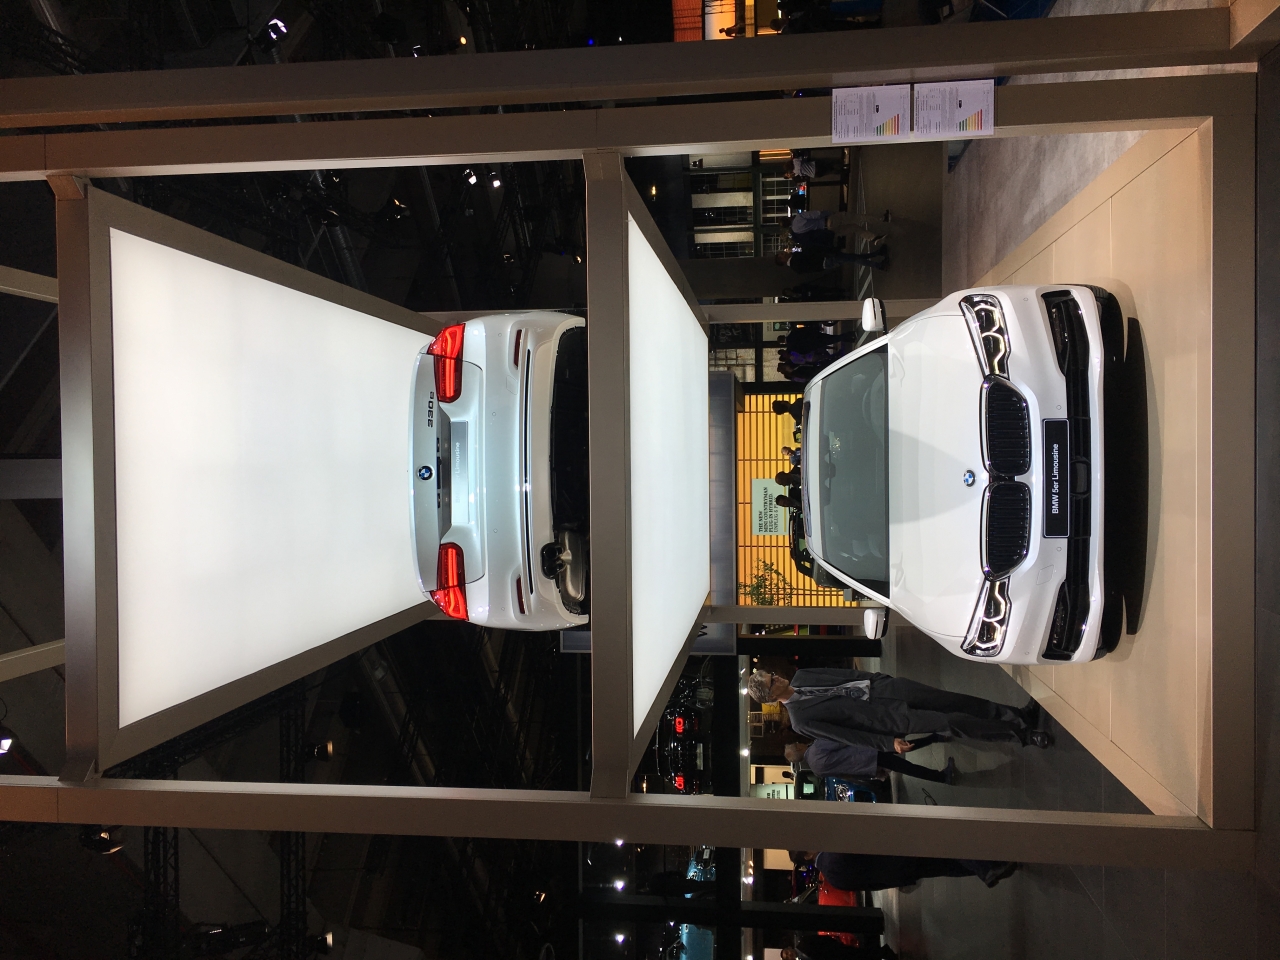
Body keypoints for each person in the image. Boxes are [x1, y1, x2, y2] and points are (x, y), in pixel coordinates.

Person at [746, 667, 1051, 749]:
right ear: (771, 696)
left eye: (772, 674)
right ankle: (1022, 736)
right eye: (773, 682)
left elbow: (845, 674)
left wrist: (878, 678)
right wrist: (886, 743)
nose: (777, 677)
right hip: (887, 718)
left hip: (886, 689)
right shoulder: (801, 721)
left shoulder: (803, 675)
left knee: (953, 700)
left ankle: (1018, 715)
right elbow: (848, 736)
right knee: (951, 722)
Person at [790, 850, 1018, 891]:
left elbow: (871, 886)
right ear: (808, 855)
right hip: (898, 856)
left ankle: (991, 866)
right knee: (944, 848)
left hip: (899, 874)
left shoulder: (833, 879)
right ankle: (988, 868)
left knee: (945, 866)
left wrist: (897, 882)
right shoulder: (834, 852)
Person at [786, 737, 957, 785]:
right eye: (797, 743)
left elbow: (843, 775)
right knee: (906, 761)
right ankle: (942, 776)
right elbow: (843, 740)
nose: (800, 742)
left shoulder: (817, 770)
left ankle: (934, 739)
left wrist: (869, 775)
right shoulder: (817, 746)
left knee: (905, 762)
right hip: (868, 752)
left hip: (866, 766)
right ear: (799, 748)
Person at [776, 246, 888, 274]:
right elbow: (811, 255)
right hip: (825, 259)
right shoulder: (795, 260)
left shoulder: (795, 266)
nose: (784, 253)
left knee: (852, 257)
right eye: (782, 255)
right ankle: (878, 264)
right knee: (852, 258)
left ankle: (876, 254)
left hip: (824, 263)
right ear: (782, 260)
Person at [782, 935, 897, 960]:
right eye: (787, 957)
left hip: (836, 951)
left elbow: (821, 939)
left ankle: (884, 952)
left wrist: (834, 944)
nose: (789, 955)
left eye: (787, 953)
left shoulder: (804, 942)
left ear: (789, 948)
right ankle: (883, 953)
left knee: (860, 955)